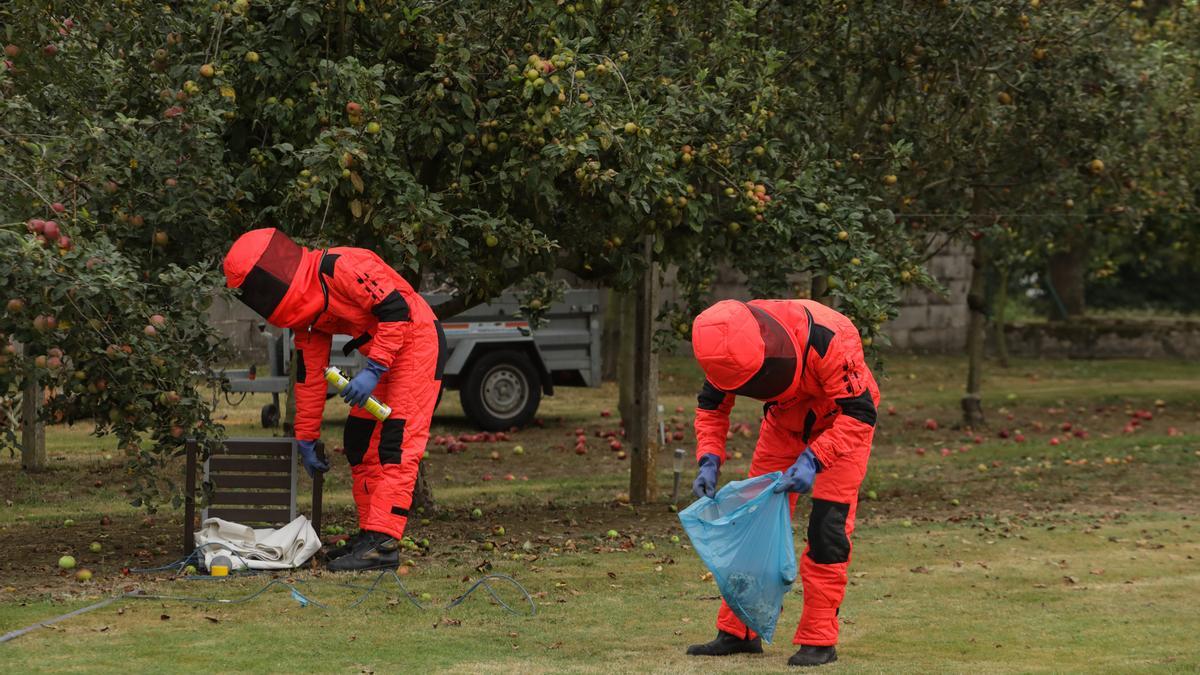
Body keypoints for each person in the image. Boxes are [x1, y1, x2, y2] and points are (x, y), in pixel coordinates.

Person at [222, 228, 445, 571]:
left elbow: (396, 310)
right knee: (359, 442)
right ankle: (371, 534)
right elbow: (310, 378)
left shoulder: (342, 265)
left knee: (396, 444)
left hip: (418, 345)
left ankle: (383, 542)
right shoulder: (306, 316)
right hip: (387, 357)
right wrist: (306, 436)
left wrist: (373, 370)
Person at [685, 299, 879, 667]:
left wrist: (815, 458)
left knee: (828, 531)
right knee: (753, 525)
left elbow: (861, 412)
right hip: (783, 426)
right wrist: (708, 458)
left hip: (844, 427)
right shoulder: (725, 338)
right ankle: (739, 631)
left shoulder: (829, 338)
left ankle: (819, 639)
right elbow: (712, 407)